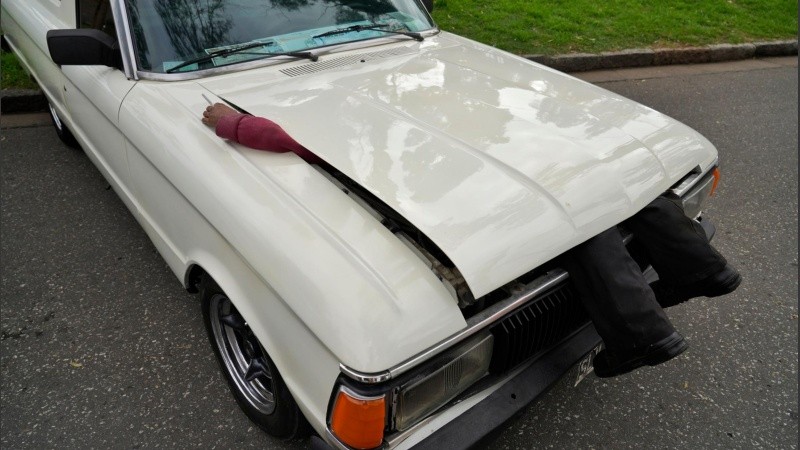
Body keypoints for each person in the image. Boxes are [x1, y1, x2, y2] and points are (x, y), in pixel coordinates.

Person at [201, 103, 742, 378]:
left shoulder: (360, 104)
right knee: (588, 189)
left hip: (454, 179)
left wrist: (235, 124)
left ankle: (643, 336)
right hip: (488, 147)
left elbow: (304, 138)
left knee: (566, 217)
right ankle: (701, 268)